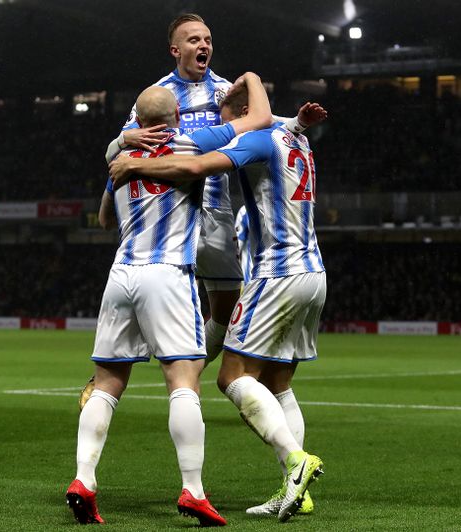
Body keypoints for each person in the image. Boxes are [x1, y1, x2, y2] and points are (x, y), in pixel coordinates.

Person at [110, 87, 326, 523]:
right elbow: (285, 122)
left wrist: (133, 162)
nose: (220, 124)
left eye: (225, 112)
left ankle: (297, 459)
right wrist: (299, 122)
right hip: (315, 273)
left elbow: (192, 165)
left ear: (244, 111)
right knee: (279, 383)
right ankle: (295, 492)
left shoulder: (259, 137)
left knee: (232, 376)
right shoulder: (295, 138)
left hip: (276, 273)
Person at [66, 75, 272, 527]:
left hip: (121, 275)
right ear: (174, 117)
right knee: (183, 381)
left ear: (138, 121)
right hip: (168, 273)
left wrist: (123, 152)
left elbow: (103, 220)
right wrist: (252, 80)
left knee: (106, 384)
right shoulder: (190, 143)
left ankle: (83, 480)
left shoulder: (121, 157)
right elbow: (257, 120)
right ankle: (193, 491)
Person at [104, 13, 324, 364]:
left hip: (216, 214)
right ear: (175, 50)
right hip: (171, 215)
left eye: (207, 39)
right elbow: (124, 152)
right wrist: (120, 142)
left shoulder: (223, 89)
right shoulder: (158, 95)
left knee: (225, 312)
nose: (203, 45)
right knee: (158, 291)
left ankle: (185, 374)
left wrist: (296, 122)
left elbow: (261, 121)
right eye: (194, 40)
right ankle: (125, 366)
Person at [235, 205, 253, 285]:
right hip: (251, 279)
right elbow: (236, 248)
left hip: (252, 279)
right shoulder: (245, 211)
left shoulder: (245, 210)